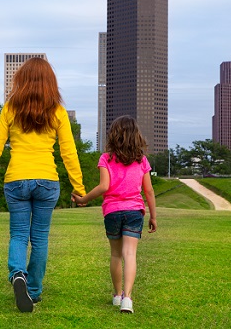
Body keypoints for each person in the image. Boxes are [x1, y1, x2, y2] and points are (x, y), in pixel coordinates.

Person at [0, 57, 86, 312]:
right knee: (40, 238)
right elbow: (69, 153)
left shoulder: (11, 108)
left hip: (16, 180)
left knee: (18, 235)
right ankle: (34, 291)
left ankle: (18, 274)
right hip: (47, 180)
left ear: (21, 80)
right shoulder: (57, 111)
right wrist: (78, 188)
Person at [71, 115, 157, 314]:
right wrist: (153, 216)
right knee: (130, 254)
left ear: (114, 135)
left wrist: (83, 199)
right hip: (135, 211)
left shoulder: (106, 158)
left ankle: (117, 295)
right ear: (136, 136)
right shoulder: (142, 160)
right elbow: (149, 191)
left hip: (112, 212)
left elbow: (104, 187)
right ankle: (128, 298)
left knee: (116, 254)